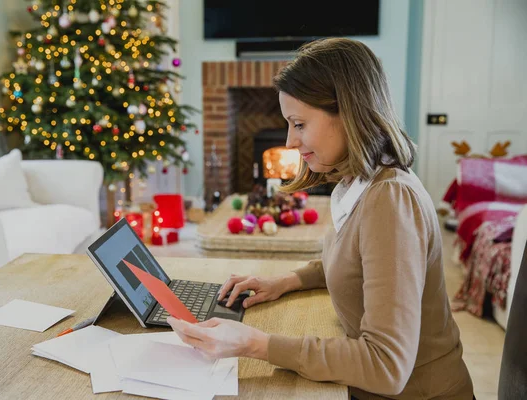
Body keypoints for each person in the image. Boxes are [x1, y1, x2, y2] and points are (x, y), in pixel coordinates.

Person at [168, 37, 474, 399]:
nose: (290, 142)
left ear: (348, 112)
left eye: (298, 124)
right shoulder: (359, 183)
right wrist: (286, 280)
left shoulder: (390, 201)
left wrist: (257, 345)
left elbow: (386, 365)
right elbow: (359, 260)